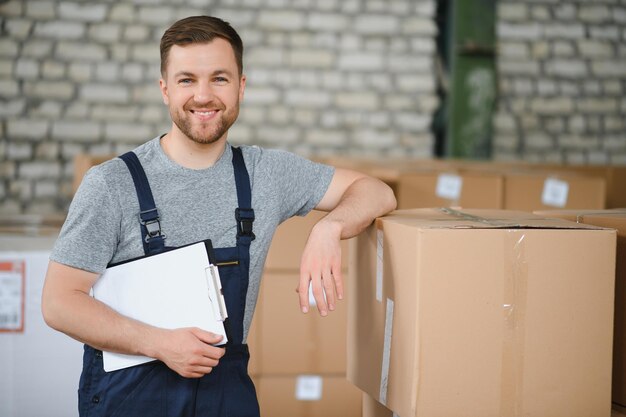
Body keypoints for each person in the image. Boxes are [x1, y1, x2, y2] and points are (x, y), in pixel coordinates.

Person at [41, 15, 396, 417]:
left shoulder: (266, 174)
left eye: (220, 79)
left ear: (242, 86)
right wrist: (158, 343)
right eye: (187, 79)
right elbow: (59, 302)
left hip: (226, 395)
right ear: (165, 90)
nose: (204, 95)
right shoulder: (111, 184)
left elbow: (376, 191)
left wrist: (328, 228)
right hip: (130, 397)